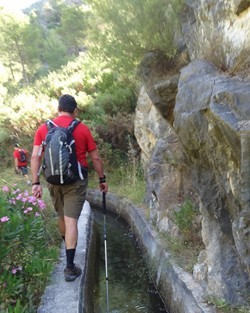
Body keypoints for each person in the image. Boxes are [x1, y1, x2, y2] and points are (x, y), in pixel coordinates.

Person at [31, 94, 108, 282]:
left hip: (53, 180)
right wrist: (102, 179)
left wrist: (35, 183)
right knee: (71, 220)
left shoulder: (44, 129)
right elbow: (95, 158)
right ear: (75, 110)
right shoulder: (81, 129)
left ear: (58, 109)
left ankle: (68, 248)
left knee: (61, 217)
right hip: (76, 181)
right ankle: (70, 267)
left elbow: (35, 157)